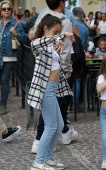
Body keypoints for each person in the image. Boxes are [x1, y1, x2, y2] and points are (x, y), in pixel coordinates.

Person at [30, 0, 78, 154]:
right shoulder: (38, 44)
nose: (57, 35)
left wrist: (61, 36)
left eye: (58, 32)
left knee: (57, 125)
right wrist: (63, 33)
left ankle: (48, 157)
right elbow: (40, 41)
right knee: (51, 126)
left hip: (55, 87)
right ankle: (39, 158)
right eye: (55, 31)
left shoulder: (51, 41)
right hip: (47, 88)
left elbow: (55, 43)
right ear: (45, 28)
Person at [0, 0, 27, 115]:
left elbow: (24, 39)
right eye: (4, 9)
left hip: (9, 56)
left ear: (11, 10)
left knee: (4, 80)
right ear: (0, 11)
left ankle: (3, 105)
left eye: (8, 9)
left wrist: (16, 33)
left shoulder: (16, 23)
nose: (6, 11)